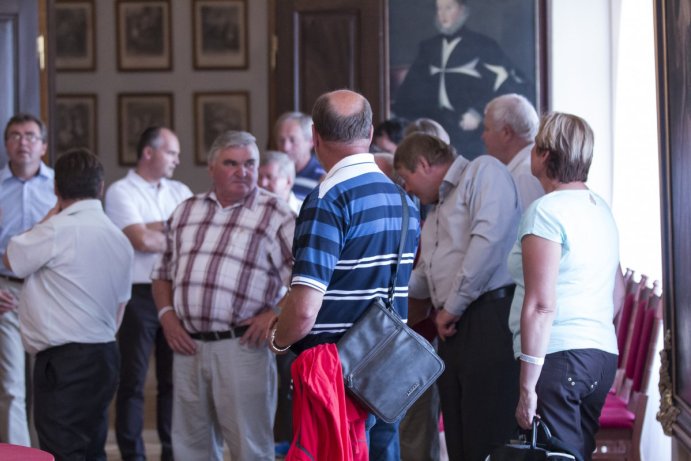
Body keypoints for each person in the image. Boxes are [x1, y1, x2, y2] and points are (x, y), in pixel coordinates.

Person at [270, 89, 420, 461]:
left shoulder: (327, 200)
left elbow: (305, 310)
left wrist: (277, 339)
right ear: (369, 133)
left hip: (338, 373)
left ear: (316, 137)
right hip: (392, 361)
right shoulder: (404, 199)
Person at [151, 130, 295, 461]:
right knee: (190, 447)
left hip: (242, 346)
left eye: (250, 164)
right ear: (212, 167)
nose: (243, 171)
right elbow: (161, 275)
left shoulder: (276, 214)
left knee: (250, 447)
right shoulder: (186, 212)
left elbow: (306, 279)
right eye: (232, 163)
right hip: (187, 346)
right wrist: (167, 319)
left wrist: (275, 312)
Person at [394, 133, 521, 461]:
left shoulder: (483, 172)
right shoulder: (437, 206)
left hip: (487, 318)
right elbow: (426, 273)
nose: (406, 189)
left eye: (405, 179)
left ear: (423, 164)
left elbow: (487, 244)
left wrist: (453, 305)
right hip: (454, 327)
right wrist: (387, 292)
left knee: (487, 434)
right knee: (459, 435)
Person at [4, 148, 133, 460]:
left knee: (62, 450)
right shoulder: (119, 238)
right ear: (100, 187)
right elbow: (120, 306)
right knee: (92, 446)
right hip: (104, 352)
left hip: (64, 360)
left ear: (56, 189)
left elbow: (12, 257)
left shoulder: (54, 230)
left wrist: (49, 217)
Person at [509, 112, 624, 461]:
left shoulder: (546, 211)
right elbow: (617, 292)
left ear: (544, 156)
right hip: (600, 355)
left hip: (558, 358)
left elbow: (541, 305)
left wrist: (528, 387)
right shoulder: (600, 208)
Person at [105, 126, 193, 461]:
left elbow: (192, 238)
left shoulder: (181, 190)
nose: (178, 160)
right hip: (136, 295)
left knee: (174, 382)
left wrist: (152, 227)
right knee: (133, 380)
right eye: (171, 152)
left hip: (176, 293)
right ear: (148, 153)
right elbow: (140, 241)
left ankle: (173, 453)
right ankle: (133, 455)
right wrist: (167, 229)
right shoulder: (120, 191)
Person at [392, 0, 530, 159]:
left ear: (462, 11)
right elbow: (410, 90)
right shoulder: (428, 48)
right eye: (439, 9)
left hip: (470, 136)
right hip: (435, 134)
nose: (442, 14)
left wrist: (479, 111)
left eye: (448, 8)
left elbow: (512, 82)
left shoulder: (482, 45)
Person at [0, 113, 56, 446]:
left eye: (31, 136)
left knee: (49, 382)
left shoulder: (58, 188)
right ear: (7, 144)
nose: (24, 142)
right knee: (11, 386)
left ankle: (48, 451)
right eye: (16, 135)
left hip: (47, 292)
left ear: (44, 146)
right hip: (6, 292)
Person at [483, 93, 544, 209]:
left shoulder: (525, 175)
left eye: (487, 129)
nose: (483, 136)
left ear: (506, 133)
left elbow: (528, 226)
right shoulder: (525, 169)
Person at [274, 111, 325, 200]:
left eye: (292, 140)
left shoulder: (324, 177)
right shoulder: (269, 175)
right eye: (281, 141)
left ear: (311, 141)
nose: (286, 148)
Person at [259, 150, 302, 214]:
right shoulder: (247, 207)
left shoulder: (305, 213)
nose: (263, 183)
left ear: (288, 182)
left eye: (270, 177)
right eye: (259, 177)